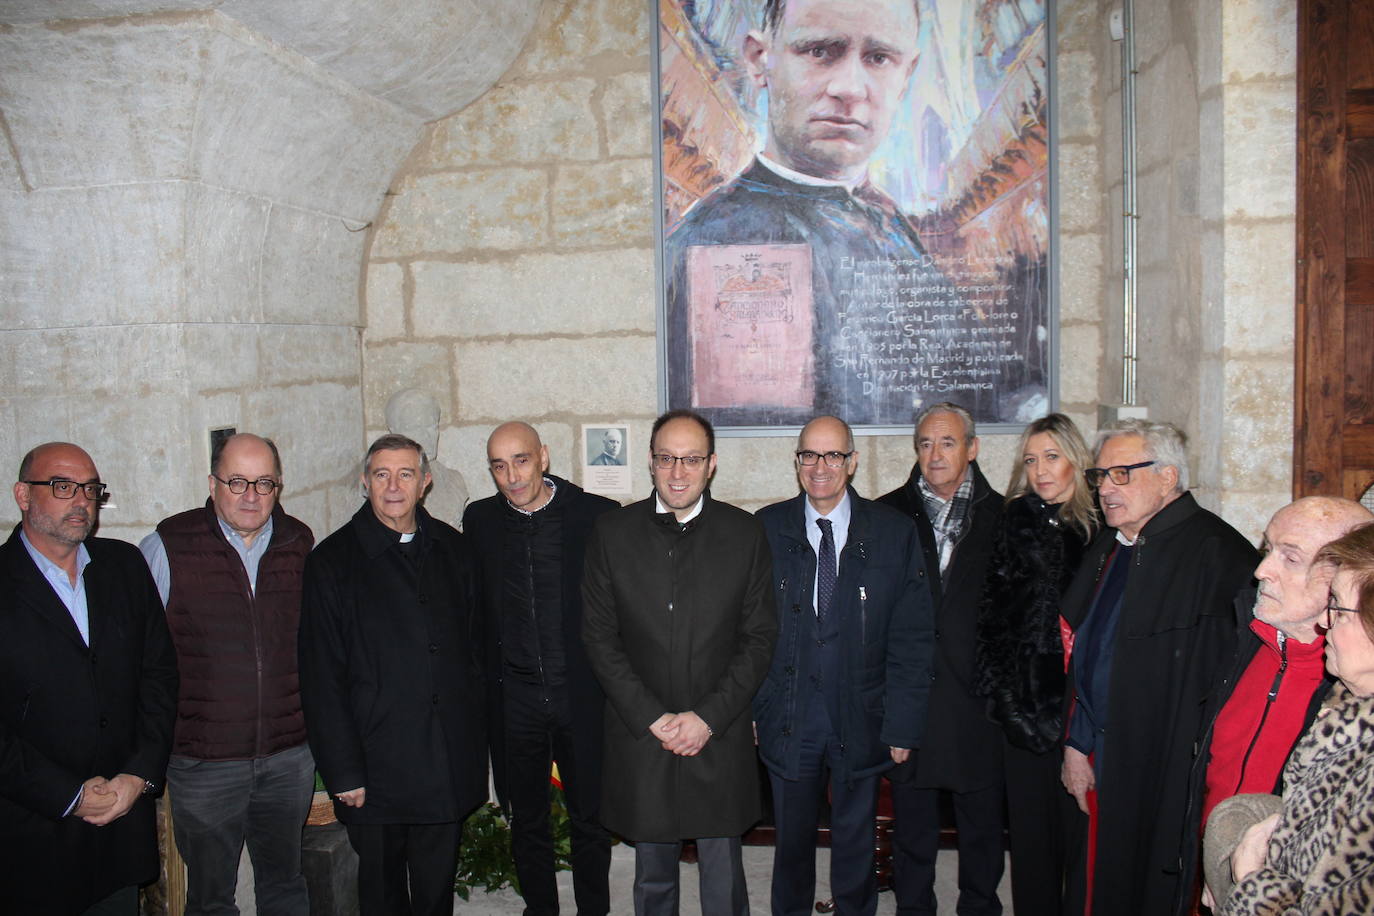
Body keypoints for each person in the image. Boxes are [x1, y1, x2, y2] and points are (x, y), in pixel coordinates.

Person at [664, 0, 996, 426]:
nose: (850, 88)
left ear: (905, 74)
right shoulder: (716, 237)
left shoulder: (886, 217)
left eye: (878, 58)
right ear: (759, 59)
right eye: (820, 51)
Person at [581, 409, 777, 916]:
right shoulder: (612, 532)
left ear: (711, 465)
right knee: (652, 876)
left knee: (723, 871)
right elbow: (600, 639)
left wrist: (707, 717)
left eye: (691, 460)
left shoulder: (744, 533)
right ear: (650, 461)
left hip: (718, 728)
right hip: (643, 730)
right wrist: (655, 718)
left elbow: (758, 639)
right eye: (667, 458)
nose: (677, 472)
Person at [1059, 419, 1256, 916]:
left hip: (1164, 769)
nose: (1105, 488)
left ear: (1168, 477)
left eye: (1121, 473)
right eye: (1100, 476)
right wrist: (1077, 745)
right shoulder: (1111, 546)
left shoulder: (1218, 554)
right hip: (1104, 753)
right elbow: (1088, 654)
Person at [299, 434, 485, 916]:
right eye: (382, 475)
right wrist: (343, 771)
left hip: (443, 762)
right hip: (374, 772)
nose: (394, 486)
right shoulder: (331, 562)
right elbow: (322, 679)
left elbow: (474, 656)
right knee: (381, 898)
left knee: (435, 894)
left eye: (405, 474)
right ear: (366, 483)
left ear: (424, 482)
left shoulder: (454, 549)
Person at [755, 415, 934, 916]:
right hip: (790, 714)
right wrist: (753, 708)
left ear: (852, 462)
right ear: (797, 463)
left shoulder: (894, 534)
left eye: (833, 455)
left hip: (863, 712)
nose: (820, 467)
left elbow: (912, 637)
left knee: (855, 843)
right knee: (790, 844)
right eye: (809, 455)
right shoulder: (765, 530)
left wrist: (903, 724)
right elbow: (747, 632)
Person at [139, 433, 316, 915]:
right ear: (213, 483)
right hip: (205, 764)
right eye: (237, 481)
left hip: (287, 756)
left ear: (279, 486)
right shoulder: (168, 545)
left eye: (264, 482)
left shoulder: (300, 542)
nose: (251, 495)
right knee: (212, 898)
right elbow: (141, 656)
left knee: (285, 885)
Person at [0, 442, 178, 914]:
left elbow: (159, 676)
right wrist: (69, 795)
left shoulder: (123, 565)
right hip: (30, 837)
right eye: (62, 486)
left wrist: (139, 775)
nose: (81, 500)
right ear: (23, 494)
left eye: (90, 489)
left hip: (119, 830)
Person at [1178, 496, 1371, 913]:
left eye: (1290, 557)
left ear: (1345, 576)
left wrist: (1245, 881)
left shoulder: (1348, 691)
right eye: (1268, 548)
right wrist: (1211, 866)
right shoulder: (1245, 637)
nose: (1262, 570)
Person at [462, 422, 619, 916]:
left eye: (521, 460)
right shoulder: (480, 520)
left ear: (544, 457)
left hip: (581, 694)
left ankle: (594, 908)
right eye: (498, 465)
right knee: (525, 818)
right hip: (516, 699)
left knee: (590, 817)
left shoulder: (597, 516)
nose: (511, 476)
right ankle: (541, 909)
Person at [878, 402, 1006, 916]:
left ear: (972, 449)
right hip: (911, 700)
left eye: (948, 443)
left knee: (981, 830)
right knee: (912, 830)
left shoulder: (1004, 518)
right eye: (926, 444)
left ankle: (979, 906)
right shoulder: (885, 515)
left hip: (977, 706)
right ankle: (914, 907)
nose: (935, 454)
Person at [972, 413, 1098, 916]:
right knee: (1031, 845)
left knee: (1082, 839)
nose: (1041, 471)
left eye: (1052, 457)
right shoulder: (1013, 520)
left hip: (1082, 710)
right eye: (1031, 460)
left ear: (1076, 460)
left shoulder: (1103, 531)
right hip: (1022, 710)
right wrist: (1009, 706)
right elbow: (992, 623)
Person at [385, 387, 470, 525]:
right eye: (415, 428)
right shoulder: (382, 488)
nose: (426, 436)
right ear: (394, 432)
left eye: (432, 426)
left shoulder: (454, 481)